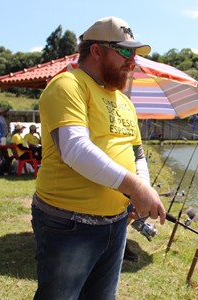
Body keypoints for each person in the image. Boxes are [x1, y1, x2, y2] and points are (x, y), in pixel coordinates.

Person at [31, 16, 166, 299]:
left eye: (136, 54)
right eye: (126, 52)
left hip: (116, 224)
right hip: (69, 225)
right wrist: (137, 188)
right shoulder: (67, 85)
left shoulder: (125, 102)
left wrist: (141, 191)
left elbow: (136, 152)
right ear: (96, 51)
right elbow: (75, 149)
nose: (133, 62)